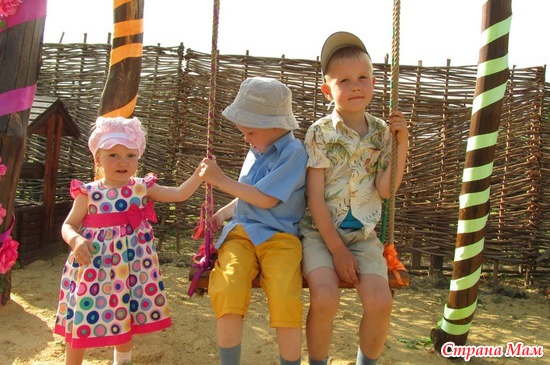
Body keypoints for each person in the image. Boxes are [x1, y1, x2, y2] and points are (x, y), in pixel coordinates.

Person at [54, 116, 203, 365]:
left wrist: (200, 174)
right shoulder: (88, 192)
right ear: (98, 158)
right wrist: (76, 240)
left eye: (131, 155)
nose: (123, 162)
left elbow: (179, 194)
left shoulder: (142, 188)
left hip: (130, 267)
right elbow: (68, 225)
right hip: (94, 267)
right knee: (83, 314)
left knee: (124, 312)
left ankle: (122, 361)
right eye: (113, 155)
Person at [301, 32, 409, 365]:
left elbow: (385, 190)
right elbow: (314, 196)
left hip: (363, 236)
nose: (355, 86)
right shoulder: (320, 132)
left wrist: (402, 144)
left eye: (362, 78)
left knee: (381, 302)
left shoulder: (382, 132)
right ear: (327, 90)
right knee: (325, 297)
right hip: (320, 235)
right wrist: (336, 250)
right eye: (344, 80)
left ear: (374, 83)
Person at [198, 77, 308, 365]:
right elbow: (248, 193)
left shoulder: (294, 153)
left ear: (274, 126)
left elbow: (266, 198)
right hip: (241, 234)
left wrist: (221, 180)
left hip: (280, 239)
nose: (245, 138)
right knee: (228, 285)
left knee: (285, 295)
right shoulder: (256, 150)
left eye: (249, 131)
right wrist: (222, 214)